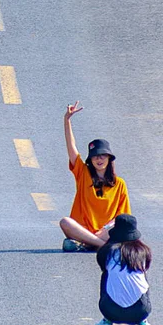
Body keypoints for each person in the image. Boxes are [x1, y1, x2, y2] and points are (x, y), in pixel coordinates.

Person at [59, 102, 130, 251]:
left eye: (103, 156)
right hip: (83, 229)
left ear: (109, 158)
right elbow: (71, 148)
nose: (99, 159)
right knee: (65, 222)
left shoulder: (119, 184)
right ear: (90, 160)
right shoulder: (83, 173)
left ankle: (87, 243)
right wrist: (67, 120)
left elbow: (122, 216)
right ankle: (102, 246)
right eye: (95, 156)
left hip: (105, 232)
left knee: (123, 226)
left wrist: (104, 229)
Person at [94, 213, 152, 325]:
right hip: (141, 311)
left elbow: (104, 268)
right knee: (141, 273)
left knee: (107, 274)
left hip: (110, 311)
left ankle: (107, 321)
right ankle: (143, 322)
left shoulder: (107, 251)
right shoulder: (143, 251)